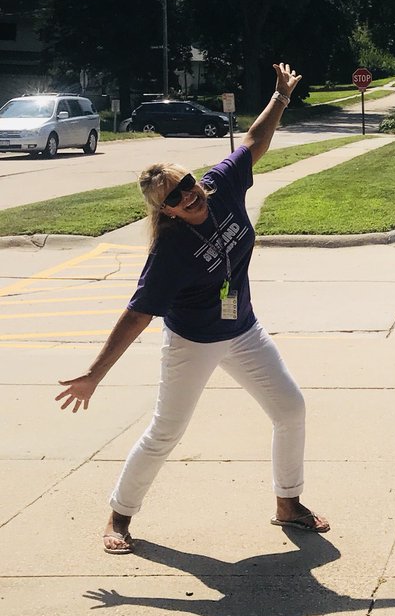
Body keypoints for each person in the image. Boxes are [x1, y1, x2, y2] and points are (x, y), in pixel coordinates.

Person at [56, 63, 329, 554]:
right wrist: (94, 373)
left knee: (291, 410)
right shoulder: (171, 251)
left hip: (243, 330)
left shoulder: (218, 186)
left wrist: (280, 98)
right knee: (166, 431)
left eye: (188, 185)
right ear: (168, 211)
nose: (190, 195)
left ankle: (288, 503)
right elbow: (137, 314)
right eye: (177, 198)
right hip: (192, 342)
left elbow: (252, 142)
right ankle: (119, 516)